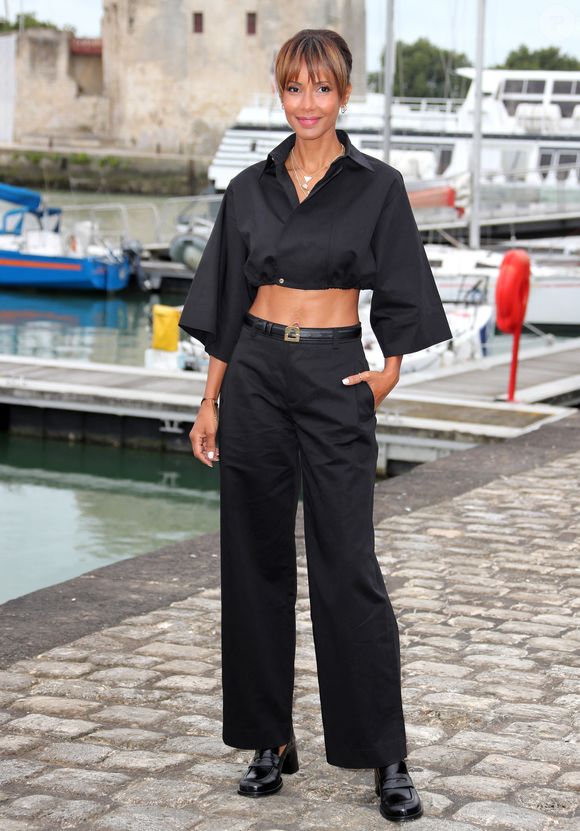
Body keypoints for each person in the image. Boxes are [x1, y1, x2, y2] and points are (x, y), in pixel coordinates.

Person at [179, 28, 452, 824]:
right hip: (256, 373)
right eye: (294, 88)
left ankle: (384, 753)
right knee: (254, 559)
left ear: (343, 94)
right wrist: (210, 398)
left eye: (322, 89)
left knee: (348, 563)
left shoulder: (377, 185)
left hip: (335, 371)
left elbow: (401, 286)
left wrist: (390, 366)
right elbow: (226, 300)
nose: (307, 104)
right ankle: (269, 739)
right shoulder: (248, 188)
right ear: (281, 91)